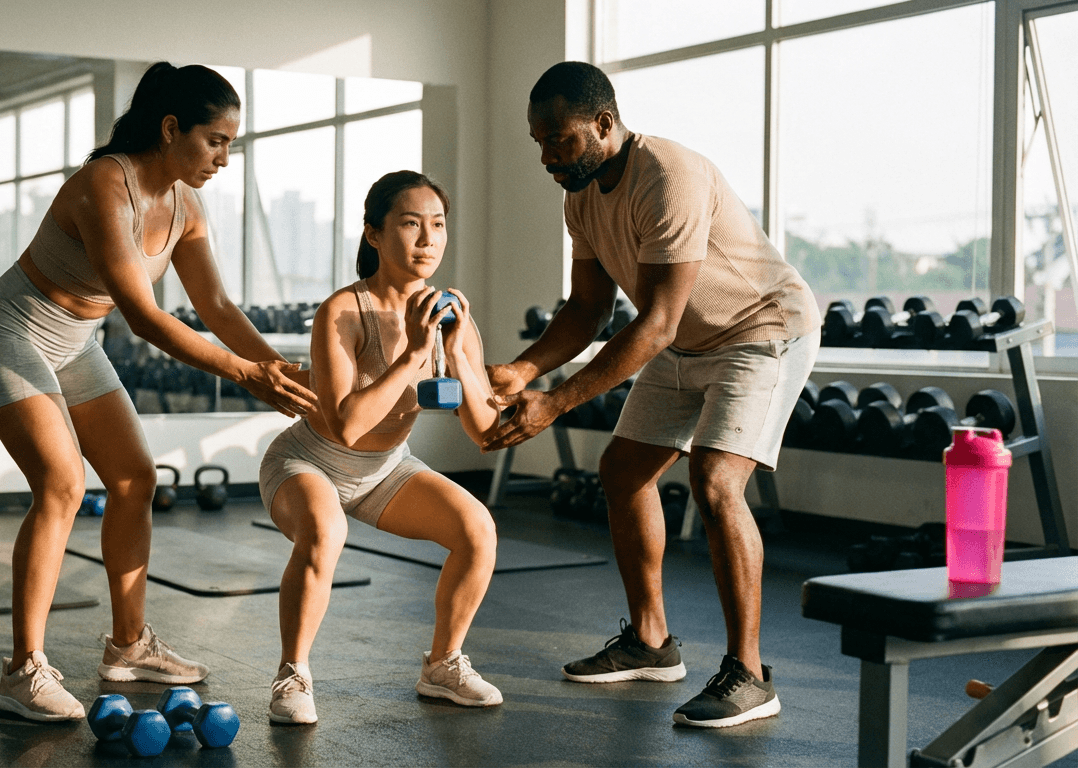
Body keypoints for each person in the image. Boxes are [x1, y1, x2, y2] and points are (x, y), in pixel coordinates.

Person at [0, 61, 316, 722]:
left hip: (75, 343)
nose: (224, 158)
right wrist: (246, 375)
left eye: (231, 144)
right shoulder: (105, 184)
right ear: (171, 128)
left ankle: (128, 646)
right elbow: (145, 318)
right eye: (215, 141)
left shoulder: (186, 206)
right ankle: (22, 671)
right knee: (62, 484)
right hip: (11, 331)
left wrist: (280, 371)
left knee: (134, 478)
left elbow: (216, 307)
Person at [484, 62, 820, 729]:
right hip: (683, 340)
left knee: (716, 482)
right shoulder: (580, 197)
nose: (548, 157)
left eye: (560, 139)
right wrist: (523, 371)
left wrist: (555, 402)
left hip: (760, 331)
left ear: (604, 123)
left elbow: (657, 320)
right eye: (539, 142)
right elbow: (587, 310)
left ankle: (750, 675)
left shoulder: (670, 176)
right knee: (622, 471)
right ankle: (650, 642)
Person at [260, 171, 502, 725]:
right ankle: (292, 673)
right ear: (373, 233)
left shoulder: (449, 314)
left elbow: (484, 430)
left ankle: (443, 665)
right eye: (411, 224)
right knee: (325, 531)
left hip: (386, 469)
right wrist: (413, 352)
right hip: (308, 461)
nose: (428, 240)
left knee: (477, 530)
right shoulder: (342, 312)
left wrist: (456, 353)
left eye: (438, 225)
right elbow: (346, 425)